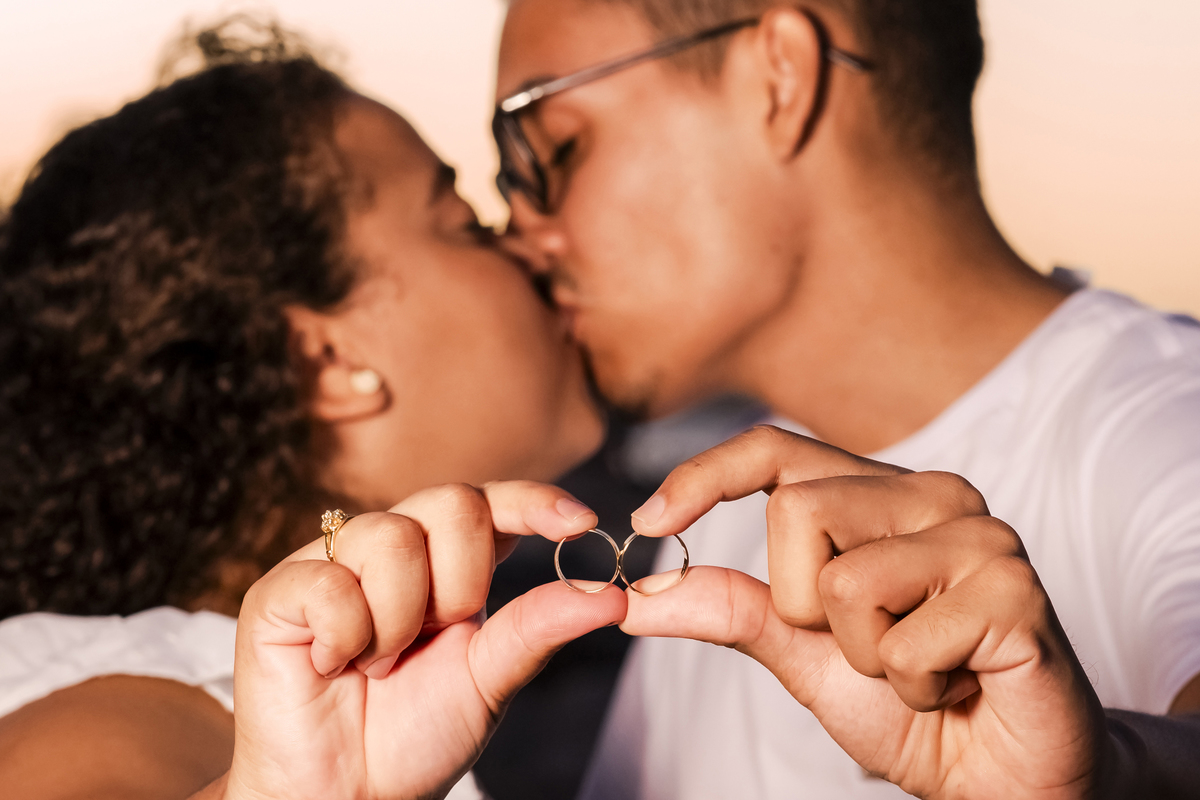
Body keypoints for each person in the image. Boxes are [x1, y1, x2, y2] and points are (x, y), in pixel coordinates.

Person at [492, 0, 1200, 796]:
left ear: (778, 79)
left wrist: (1105, 775)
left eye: (549, 148)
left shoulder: (1167, 431)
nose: (520, 228)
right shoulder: (736, 502)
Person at [0, 18, 619, 799]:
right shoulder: (123, 715)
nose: (530, 246)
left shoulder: (292, 690)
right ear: (330, 363)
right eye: (463, 226)